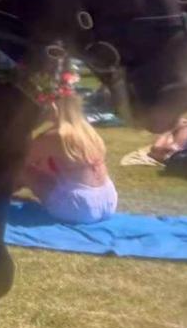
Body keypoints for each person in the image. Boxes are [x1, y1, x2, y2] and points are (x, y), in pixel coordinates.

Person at [16, 85, 118, 224]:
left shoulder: (58, 135)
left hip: (80, 207)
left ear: (53, 106)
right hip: (109, 200)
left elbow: (19, 158)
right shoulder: (87, 131)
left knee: (20, 167)